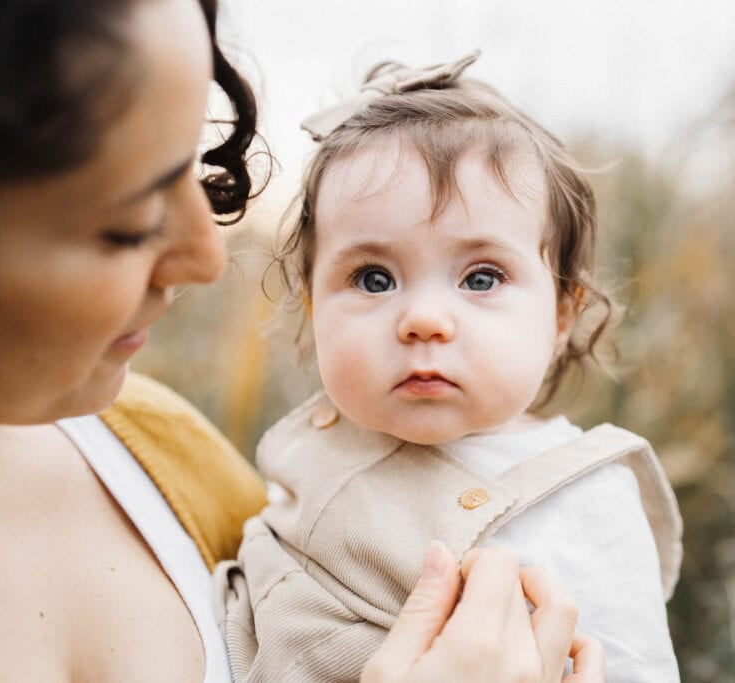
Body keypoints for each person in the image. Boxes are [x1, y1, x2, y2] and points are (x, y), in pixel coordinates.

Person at [0, 1, 601, 681]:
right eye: (130, 220)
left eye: (190, 168)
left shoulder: (160, 449)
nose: (208, 259)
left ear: (564, 310)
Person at [215, 52, 683, 682]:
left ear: (562, 314)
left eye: (481, 277)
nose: (424, 319)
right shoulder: (316, 445)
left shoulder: (588, 499)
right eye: (374, 278)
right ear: (311, 304)